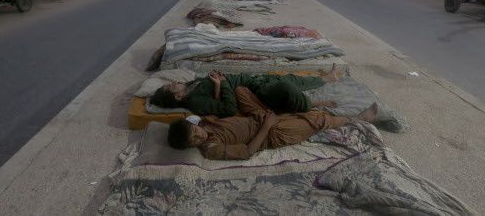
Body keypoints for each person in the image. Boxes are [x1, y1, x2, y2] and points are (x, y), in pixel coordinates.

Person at [167, 87, 379, 160]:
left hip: (256, 117)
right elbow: (248, 152)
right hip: (272, 133)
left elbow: (225, 115)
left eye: (194, 131)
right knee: (316, 119)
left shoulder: (203, 123)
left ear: (192, 125)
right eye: (194, 140)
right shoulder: (211, 149)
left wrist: (218, 86)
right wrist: (267, 125)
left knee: (241, 91)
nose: (198, 136)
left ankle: (295, 105)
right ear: (191, 146)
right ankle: (358, 119)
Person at [150, 64, 341, 117]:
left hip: (251, 80)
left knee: (288, 78)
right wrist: (222, 84)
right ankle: (312, 104)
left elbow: (215, 99)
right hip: (254, 91)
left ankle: (326, 78)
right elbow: (229, 109)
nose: (174, 81)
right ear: (178, 95)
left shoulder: (192, 87)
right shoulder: (194, 102)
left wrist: (216, 82)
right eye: (171, 85)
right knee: (287, 88)